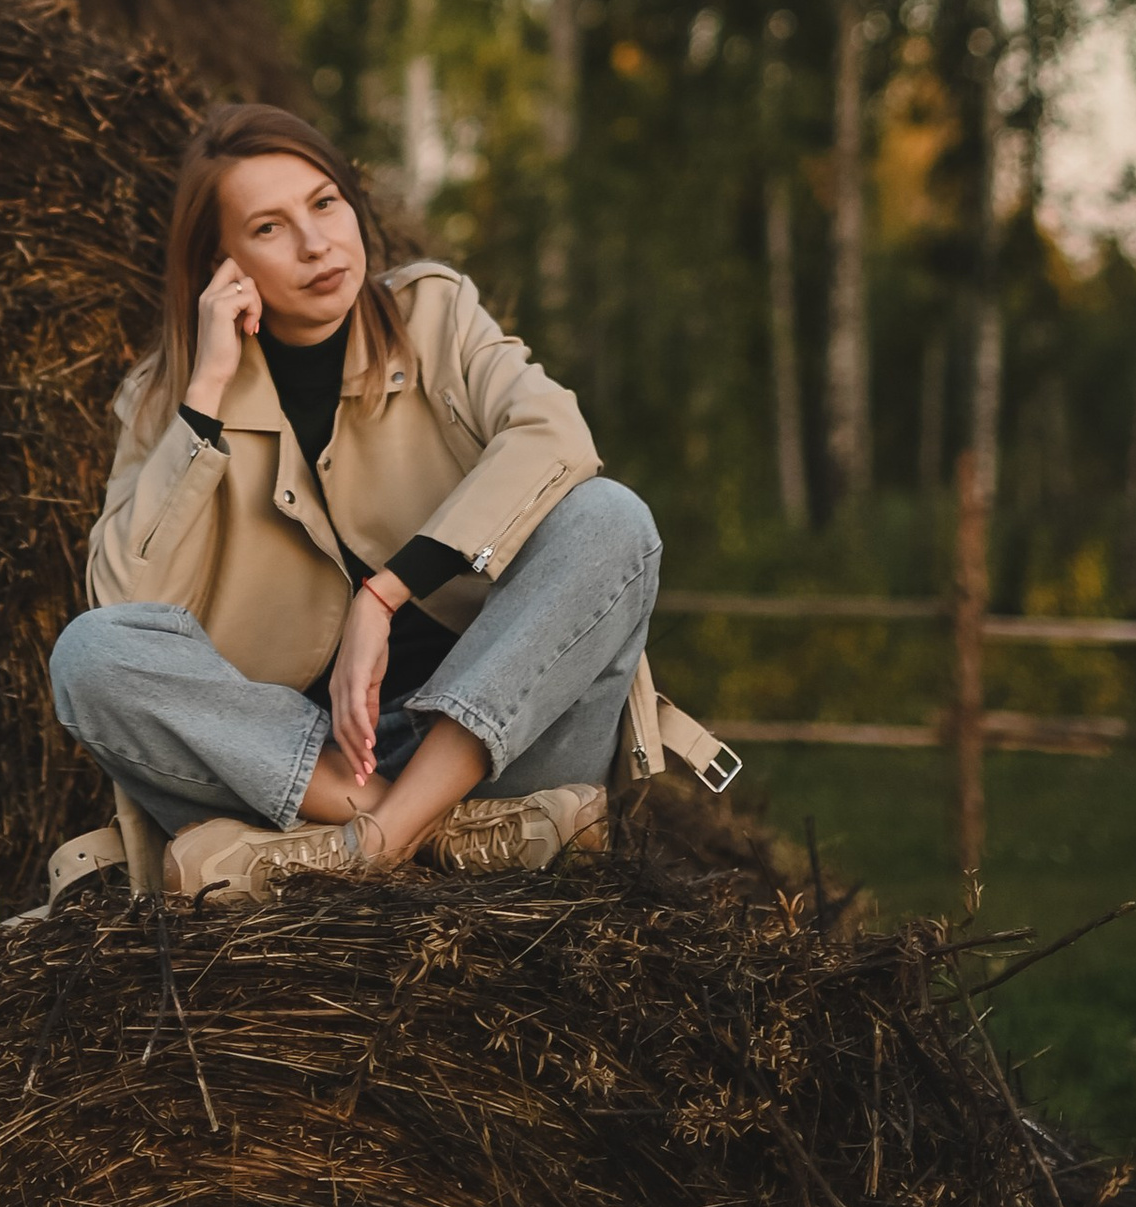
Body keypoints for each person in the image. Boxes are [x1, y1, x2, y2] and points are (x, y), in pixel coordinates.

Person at [47, 100, 733, 907]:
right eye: (268, 228)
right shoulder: (167, 403)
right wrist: (203, 397)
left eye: (324, 203)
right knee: (89, 655)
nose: (315, 243)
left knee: (612, 519)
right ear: (219, 269)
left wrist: (386, 592)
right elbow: (126, 605)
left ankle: (370, 847)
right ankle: (430, 834)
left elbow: (557, 437)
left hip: (512, 747)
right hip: (305, 772)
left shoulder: (435, 314)